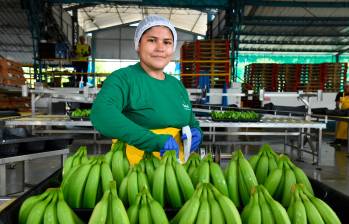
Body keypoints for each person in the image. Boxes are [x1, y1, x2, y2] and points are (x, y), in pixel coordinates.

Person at [90, 15, 202, 164]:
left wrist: (196, 132)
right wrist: (153, 141)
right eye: (152, 40)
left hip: (176, 171)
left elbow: (190, 121)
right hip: (133, 172)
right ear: (138, 44)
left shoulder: (176, 85)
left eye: (167, 42)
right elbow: (102, 114)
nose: (160, 48)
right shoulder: (124, 79)